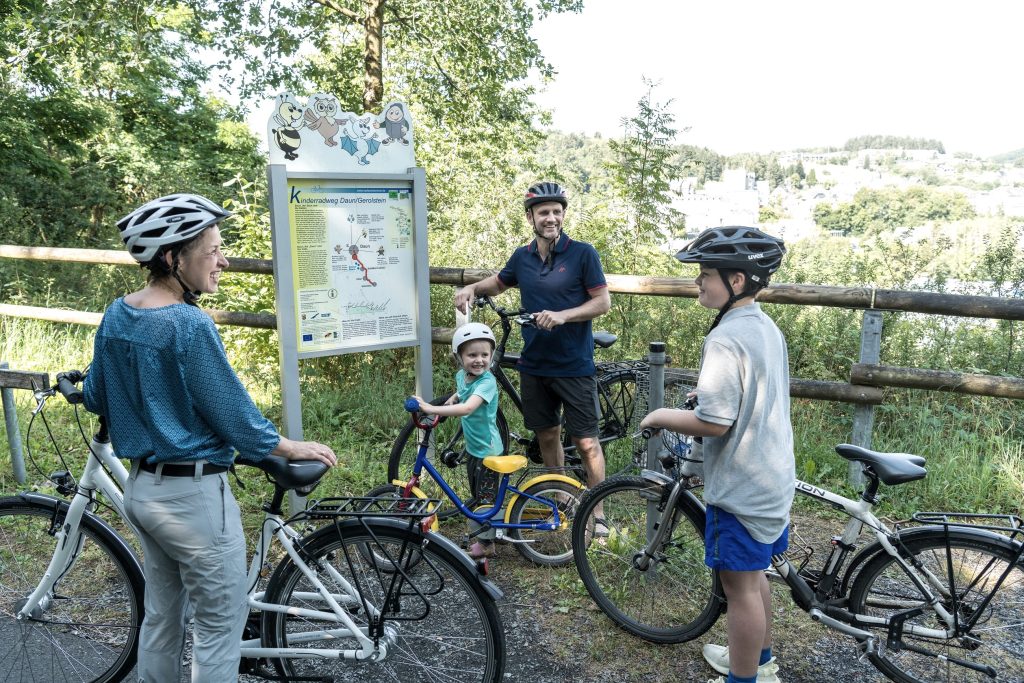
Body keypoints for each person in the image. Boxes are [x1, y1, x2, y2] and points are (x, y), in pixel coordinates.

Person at [83, 193, 337, 682]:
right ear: (173, 257)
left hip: (143, 492)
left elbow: (97, 394)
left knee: (162, 617)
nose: (223, 261)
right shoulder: (188, 323)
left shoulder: (118, 314)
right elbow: (232, 415)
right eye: (212, 251)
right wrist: (287, 446)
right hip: (193, 498)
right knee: (221, 625)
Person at [639, 226, 793, 683]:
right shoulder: (765, 326)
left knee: (739, 587)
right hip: (772, 475)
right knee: (756, 575)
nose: (698, 283)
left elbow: (715, 424)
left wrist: (660, 415)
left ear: (737, 281)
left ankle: (742, 679)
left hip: (743, 486)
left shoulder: (724, 340)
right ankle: (758, 662)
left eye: (705, 275)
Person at [454, 181, 611, 529]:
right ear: (530, 217)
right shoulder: (522, 257)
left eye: (557, 211)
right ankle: (561, 497)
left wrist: (563, 315)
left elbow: (602, 302)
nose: (551, 218)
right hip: (535, 363)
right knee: (548, 435)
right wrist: (471, 287)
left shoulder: (583, 254)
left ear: (563, 215)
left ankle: (598, 513)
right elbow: (498, 282)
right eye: (544, 212)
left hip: (573, 363)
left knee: (586, 441)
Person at [413, 322, 503, 558]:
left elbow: (468, 408)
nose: (479, 360)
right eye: (472, 355)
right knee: (477, 493)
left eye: (485, 354)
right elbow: (462, 392)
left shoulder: (487, 382)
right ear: (459, 357)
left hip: (489, 453)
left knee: (485, 499)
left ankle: (487, 544)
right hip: (475, 449)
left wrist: (432, 408)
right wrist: (453, 397)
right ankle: (488, 533)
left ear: (491, 356)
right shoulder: (463, 376)